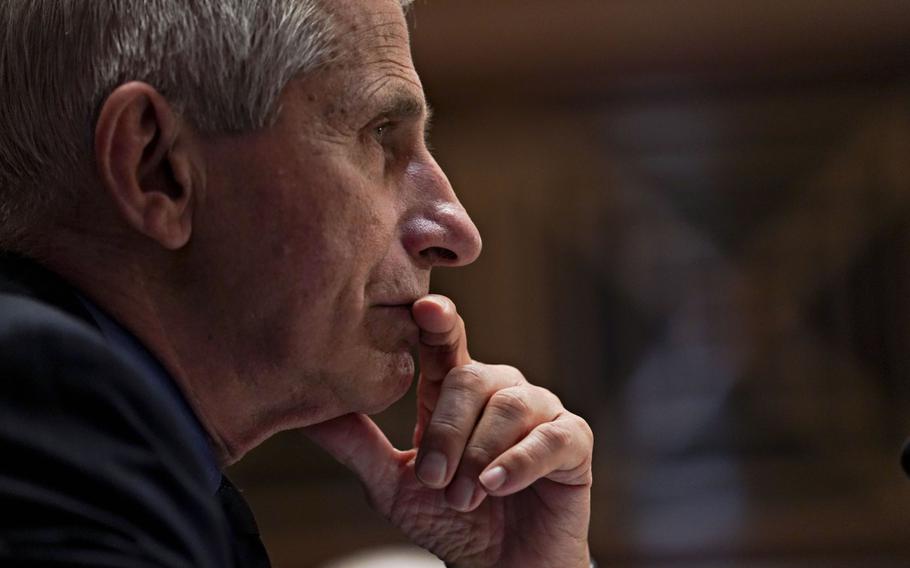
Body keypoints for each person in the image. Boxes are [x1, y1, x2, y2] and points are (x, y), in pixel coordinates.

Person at [0, 0, 594, 566]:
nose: (457, 231)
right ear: (157, 165)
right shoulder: (44, 407)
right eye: (379, 135)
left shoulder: (134, 459)